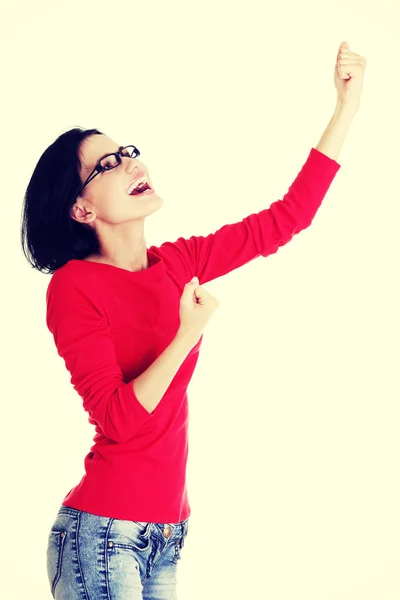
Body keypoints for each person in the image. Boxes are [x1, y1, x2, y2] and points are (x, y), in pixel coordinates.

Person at [20, 41, 365, 600]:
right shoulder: (73, 287)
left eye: (127, 151)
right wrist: (188, 333)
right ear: (80, 209)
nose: (132, 162)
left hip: (167, 532)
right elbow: (119, 419)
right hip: (104, 536)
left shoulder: (177, 264)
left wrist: (344, 109)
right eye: (108, 164)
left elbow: (285, 219)